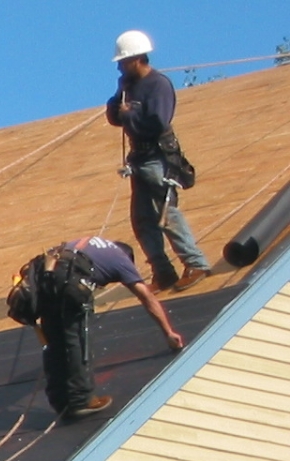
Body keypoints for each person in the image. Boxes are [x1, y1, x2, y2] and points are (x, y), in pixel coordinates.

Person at [35, 236, 186, 420]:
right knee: (77, 340)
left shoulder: (90, 243)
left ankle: (59, 401)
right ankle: (81, 400)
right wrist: (168, 332)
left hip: (45, 276)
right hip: (70, 281)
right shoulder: (121, 259)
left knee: (53, 340)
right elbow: (146, 297)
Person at [105, 30, 209, 293]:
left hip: (157, 158)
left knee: (166, 213)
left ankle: (195, 263)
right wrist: (118, 102)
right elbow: (115, 117)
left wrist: (130, 115)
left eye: (122, 61)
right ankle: (163, 273)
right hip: (139, 158)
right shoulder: (128, 86)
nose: (119, 65)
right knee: (142, 219)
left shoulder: (158, 85)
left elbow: (157, 122)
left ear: (137, 59)